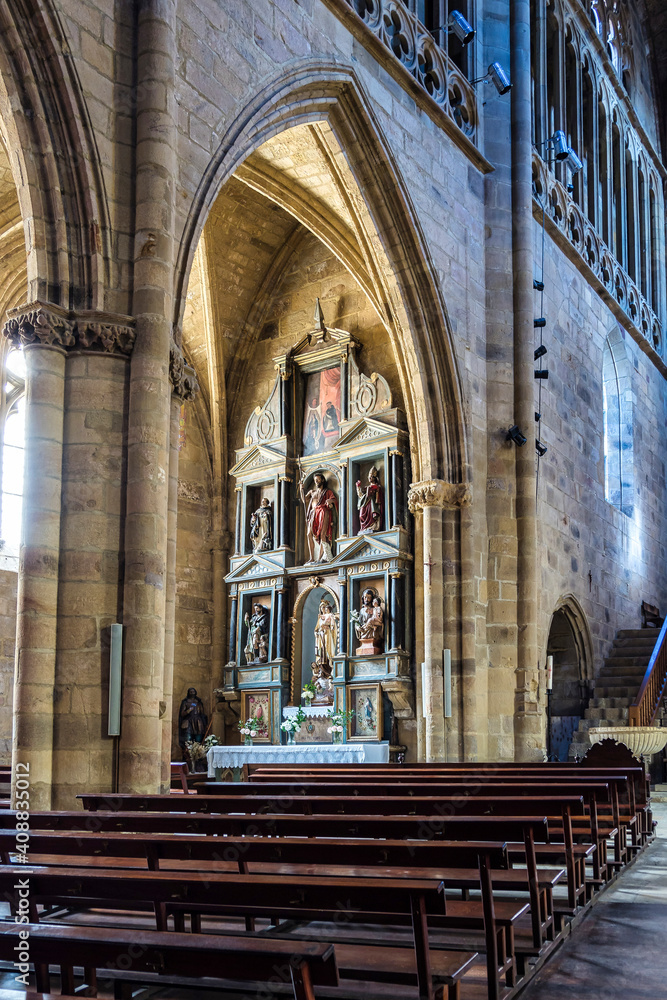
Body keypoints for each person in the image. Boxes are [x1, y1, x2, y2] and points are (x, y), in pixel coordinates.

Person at [300, 471, 338, 563]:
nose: (316, 481)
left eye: (318, 480)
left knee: (322, 534)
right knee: (309, 534)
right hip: (314, 513)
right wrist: (301, 489)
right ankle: (311, 557)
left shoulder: (327, 491)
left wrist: (330, 501)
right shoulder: (312, 492)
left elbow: (334, 499)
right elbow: (304, 500)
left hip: (323, 512)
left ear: (322, 480)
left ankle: (320, 558)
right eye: (315, 480)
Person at [356, 466, 383, 534]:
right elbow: (361, 495)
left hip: (372, 503)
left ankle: (373, 526)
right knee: (361, 515)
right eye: (369, 477)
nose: (370, 478)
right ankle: (364, 528)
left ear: (375, 478)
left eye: (371, 477)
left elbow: (378, 497)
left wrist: (375, 490)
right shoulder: (366, 488)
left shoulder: (377, 487)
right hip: (365, 504)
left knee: (372, 515)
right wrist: (358, 487)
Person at [314, 598, 339, 667]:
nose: (323, 609)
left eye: (324, 607)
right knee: (321, 651)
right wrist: (316, 633)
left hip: (327, 634)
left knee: (327, 649)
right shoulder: (320, 618)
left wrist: (330, 628)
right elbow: (316, 628)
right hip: (320, 636)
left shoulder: (329, 616)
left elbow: (332, 626)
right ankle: (321, 669)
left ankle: (329, 667)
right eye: (322, 607)